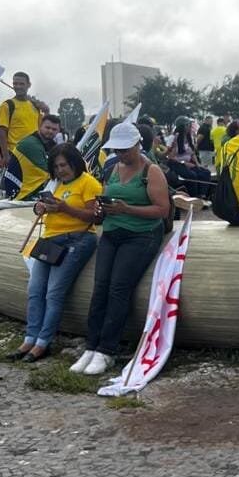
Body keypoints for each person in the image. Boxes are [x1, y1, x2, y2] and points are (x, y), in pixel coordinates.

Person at [70, 123, 170, 376]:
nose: (121, 154)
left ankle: (107, 350)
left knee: (119, 289)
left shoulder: (151, 171)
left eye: (125, 150)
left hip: (141, 234)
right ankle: (91, 345)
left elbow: (162, 209)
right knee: (100, 288)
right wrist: (102, 209)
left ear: (138, 145)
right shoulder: (114, 168)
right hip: (112, 232)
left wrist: (127, 209)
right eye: (117, 150)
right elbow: (107, 195)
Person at [8, 144, 100, 363]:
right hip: (50, 240)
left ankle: (43, 342)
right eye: (56, 167)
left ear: (75, 163)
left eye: (64, 165)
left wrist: (64, 208)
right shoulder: (56, 184)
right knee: (34, 289)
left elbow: (95, 217)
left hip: (77, 238)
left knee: (54, 292)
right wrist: (40, 208)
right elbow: (42, 206)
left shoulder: (89, 183)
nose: (60, 170)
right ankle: (30, 338)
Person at [0, 71, 40, 167]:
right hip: (15, 154)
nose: (18, 86)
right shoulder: (6, 105)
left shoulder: (35, 106)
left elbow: (40, 129)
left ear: (29, 85)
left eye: (21, 84)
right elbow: (1, 132)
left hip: (34, 154)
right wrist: (6, 156)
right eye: (15, 83)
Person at [11, 114, 59, 201]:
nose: (50, 131)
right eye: (47, 128)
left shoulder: (51, 145)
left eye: (54, 129)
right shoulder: (31, 144)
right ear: (40, 126)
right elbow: (51, 171)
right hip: (22, 194)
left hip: (30, 189)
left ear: (58, 131)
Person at [165, 116, 211, 198]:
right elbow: (170, 157)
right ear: (182, 126)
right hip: (176, 164)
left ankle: (202, 194)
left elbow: (192, 153)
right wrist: (184, 163)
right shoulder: (173, 137)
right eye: (188, 125)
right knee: (192, 175)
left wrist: (198, 164)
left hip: (189, 163)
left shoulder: (189, 137)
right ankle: (193, 197)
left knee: (205, 172)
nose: (190, 127)